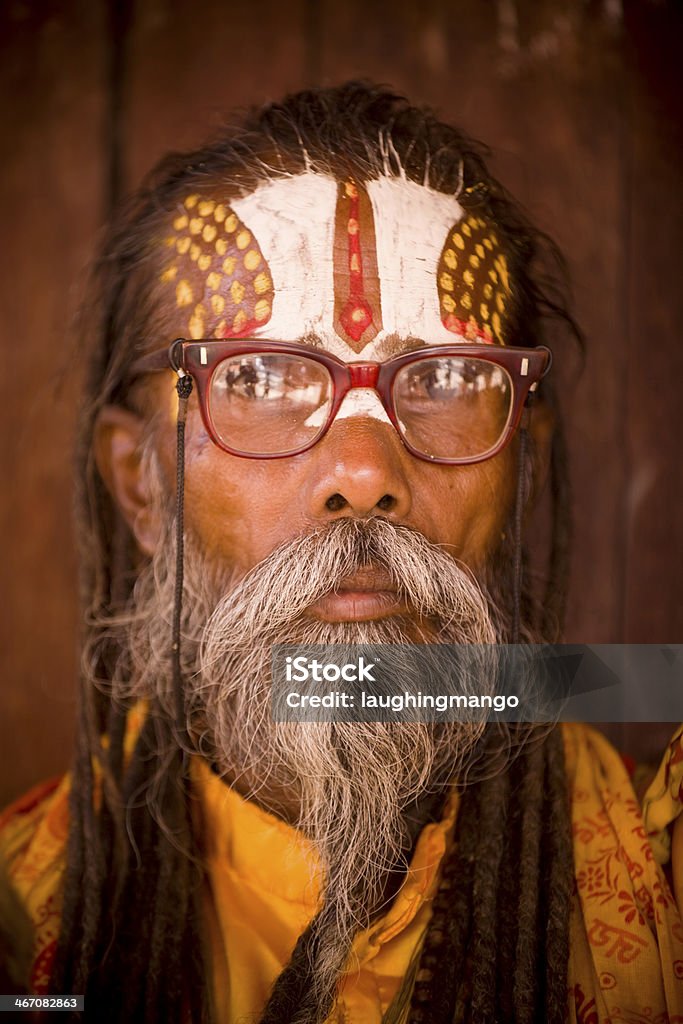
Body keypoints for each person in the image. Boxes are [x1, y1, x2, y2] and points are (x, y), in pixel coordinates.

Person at [1, 82, 682, 1024]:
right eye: (260, 376)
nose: (363, 471)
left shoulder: (663, 873)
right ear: (141, 484)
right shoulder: (16, 917)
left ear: (519, 465)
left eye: (447, 376)